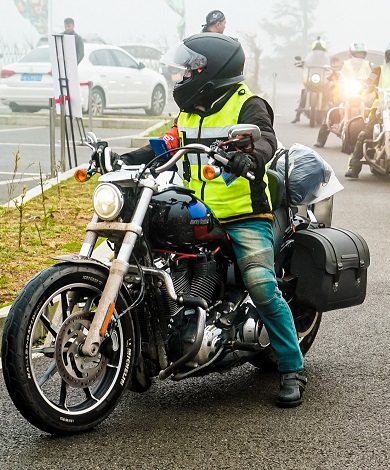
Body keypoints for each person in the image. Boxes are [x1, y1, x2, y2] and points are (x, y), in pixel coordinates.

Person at [119, 34, 308, 407]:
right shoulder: (191, 110)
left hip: (244, 215)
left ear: (212, 70)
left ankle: (292, 367)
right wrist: (128, 158)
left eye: (190, 69)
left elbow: (266, 141)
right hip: (195, 211)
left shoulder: (248, 105)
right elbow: (169, 142)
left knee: (261, 285)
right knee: (147, 261)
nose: (183, 76)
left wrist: (250, 157)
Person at [344, 38, 390, 178]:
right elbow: (369, 81)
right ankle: (354, 166)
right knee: (365, 132)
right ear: (388, 56)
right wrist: (366, 87)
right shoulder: (379, 70)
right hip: (381, 106)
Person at [315, 43, 372, 148]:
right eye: (357, 54)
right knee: (332, 110)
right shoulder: (344, 65)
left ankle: (374, 139)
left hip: (362, 94)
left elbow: (374, 78)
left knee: (373, 112)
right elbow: (336, 75)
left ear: (364, 55)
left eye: (361, 54)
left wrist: (372, 84)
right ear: (351, 54)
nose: (359, 56)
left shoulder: (369, 65)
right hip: (347, 93)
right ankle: (321, 140)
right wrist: (333, 75)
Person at [291, 38, 330, 124]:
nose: (318, 51)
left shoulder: (326, 57)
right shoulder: (310, 56)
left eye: (319, 48)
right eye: (317, 48)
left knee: (329, 93)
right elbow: (306, 63)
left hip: (322, 81)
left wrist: (332, 67)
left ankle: (330, 114)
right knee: (304, 93)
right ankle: (297, 115)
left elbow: (329, 65)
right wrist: (301, 64)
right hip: (311, 80)